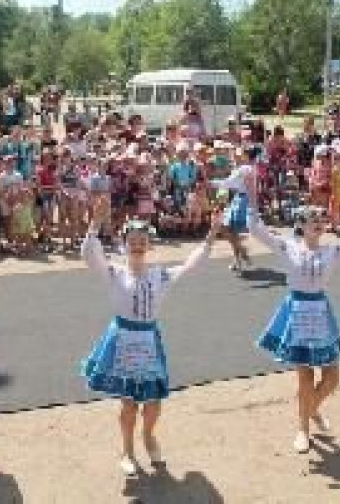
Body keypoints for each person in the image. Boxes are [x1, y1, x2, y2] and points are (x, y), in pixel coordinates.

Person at [80, 195, 223, 475]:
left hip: (148, 341)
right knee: (129, 403)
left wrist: (212, 235)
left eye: (142, 240)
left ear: (149, 244)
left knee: (154, 402)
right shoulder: (115, 273)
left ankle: (148, 435)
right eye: (131, 240)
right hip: (122, 340)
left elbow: (190, 265)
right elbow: (89, 255)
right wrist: (94, 224)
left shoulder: (159, 275)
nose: (137, 244)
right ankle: (127, 449)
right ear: (124, 244)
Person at [246, 177, 340, 453]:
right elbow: (256, 229)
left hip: (321, 313)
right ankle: (303, 429)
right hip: (297, 312)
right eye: (312, 219)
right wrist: (250, 197)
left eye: (321, 219)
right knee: (305, 376)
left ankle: (310, 408)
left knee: (332, 377)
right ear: (300, 225)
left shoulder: (331, 251)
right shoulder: (288, 247)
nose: (318, 223)